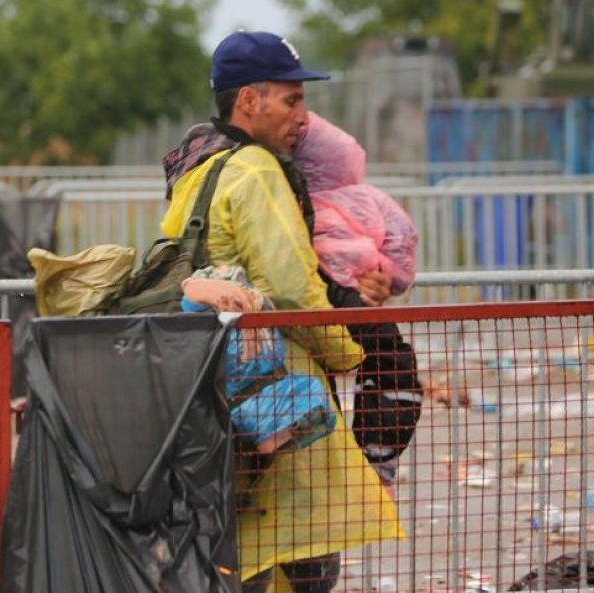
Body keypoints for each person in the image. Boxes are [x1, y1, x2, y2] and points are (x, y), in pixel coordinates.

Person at [161, 30, 402, 593]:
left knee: (234, 548)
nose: (304, 116)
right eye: (292, 99)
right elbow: (293, 289)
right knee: (306, 552)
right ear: (249, 100)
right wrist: (349, 352)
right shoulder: (256, 170)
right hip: (275, 393)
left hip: (209, 389)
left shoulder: (196, 168)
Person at [293, 111, 424, 489]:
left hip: (326, 311)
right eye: (291, 101)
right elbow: (401, 248)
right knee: (387, 362)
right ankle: (377, 456)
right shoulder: (272, 186)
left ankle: (368, 461)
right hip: (320, 311)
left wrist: (374, 276)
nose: (295, 115)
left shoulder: (307, 201)